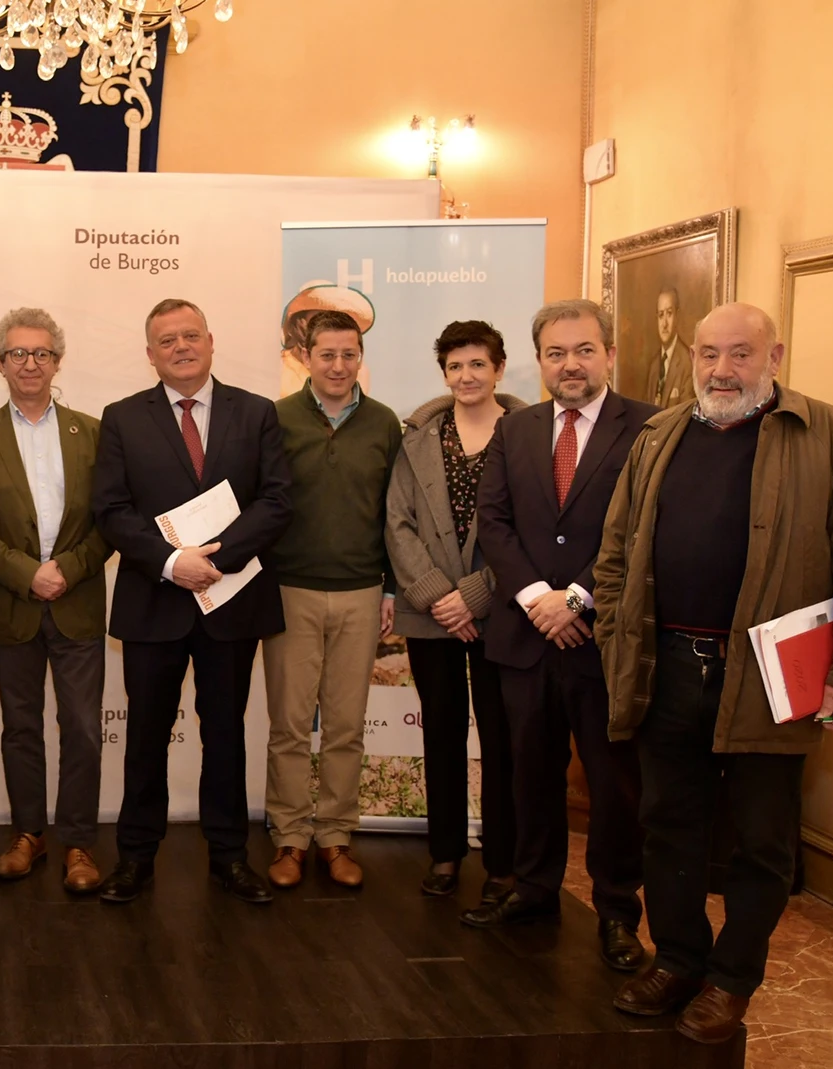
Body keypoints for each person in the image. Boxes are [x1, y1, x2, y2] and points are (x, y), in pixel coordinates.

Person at [596, 302, 833, 1044]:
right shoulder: (660, 435)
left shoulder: (829, 435)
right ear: (691, 358)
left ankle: (733, 979)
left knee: (763, 839)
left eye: (739, 353)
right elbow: (615, 554)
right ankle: (676, 959)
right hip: (667, 667)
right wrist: (614, 638)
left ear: (775, 355)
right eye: (708, 354)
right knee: (667, 825)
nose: (721, 370)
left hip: (773, 677)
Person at [463, 298, 658, 976]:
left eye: (583, 350)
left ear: (608, 354)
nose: (569, 363)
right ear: (538, 360)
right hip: (524, 636)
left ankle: (615, 912)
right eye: (556, 352)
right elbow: (494, 521)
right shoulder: (515, 429)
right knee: (528, 772)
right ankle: (534, 888)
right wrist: (535, 599)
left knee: (613, 785)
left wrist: (576, 597)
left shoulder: (651, 429)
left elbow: (643, 530)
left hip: (602, 640)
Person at [90, 298, 291, 905]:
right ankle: (134, 859)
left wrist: (217, 559)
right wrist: (174, 562)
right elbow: (111, 511)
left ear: (210, 340)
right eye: (166, 340)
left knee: (225, 734)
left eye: (190, 336)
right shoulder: (122, 418)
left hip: (230, 601)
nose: (180, 347)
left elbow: (277, 500)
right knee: (146, 737)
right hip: (154, 601)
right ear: (150, 355)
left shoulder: (256, 414)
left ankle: (229, 857)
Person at [0, 307, 113, 893]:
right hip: (10, 606)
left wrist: (66, 572)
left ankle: (78, 841)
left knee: (81, 727)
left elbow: (111, 519)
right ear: (0, 363)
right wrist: (28, 574)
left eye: (42, 353)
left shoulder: (93, 431)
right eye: (18, 354)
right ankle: (29, 833)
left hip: (75, 603)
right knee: (19, 728)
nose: (31, 363)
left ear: (57, 361)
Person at [259, 309, 402, 890]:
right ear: (304, 358)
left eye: (349, 354)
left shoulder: (385, 423)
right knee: (290, 726)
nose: (338, 365)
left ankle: (336, 836)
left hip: (363, 590)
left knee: (346, 725)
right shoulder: (277, 419)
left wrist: (392, 586)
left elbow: (398, 513)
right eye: (327, 355)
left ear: (360, 357)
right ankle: (290, 838)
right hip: (290, 588)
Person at [385, 321, 527, 901]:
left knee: (501, 739)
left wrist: (471, 598)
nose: (466, 376)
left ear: (498, 367)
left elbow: (530, 529)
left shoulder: (528, 434)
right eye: (454, 366)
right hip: (429, 615)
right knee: (440, 733)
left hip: (502, 612)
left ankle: (502, 863)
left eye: (477, 364)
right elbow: (397, 521)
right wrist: (436, 597)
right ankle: (444, 854)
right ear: (443, 373)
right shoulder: (417, 435)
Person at [645, 287, 692, 408]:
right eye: (661, 315)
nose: (664, 324)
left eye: (669, 314)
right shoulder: (654, 365)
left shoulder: (688, 363)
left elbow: (686, 417)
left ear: (677, 316)